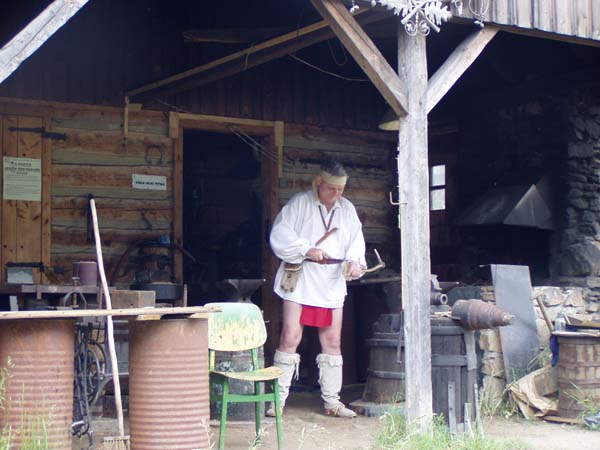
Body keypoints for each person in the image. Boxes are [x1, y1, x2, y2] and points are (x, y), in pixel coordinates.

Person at [268, 160, 366, 418]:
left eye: (341, 190)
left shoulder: (347, 210)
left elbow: (356, 240)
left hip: (332, 280)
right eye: (332, 188)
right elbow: (279, 235)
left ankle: (332, 402)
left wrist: (355, 263)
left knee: (332, 341)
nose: (336, 194)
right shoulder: (300, 203)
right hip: (301, 277)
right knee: (290, 337)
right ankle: (277, 401)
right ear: (319, 183)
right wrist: (305, 248)